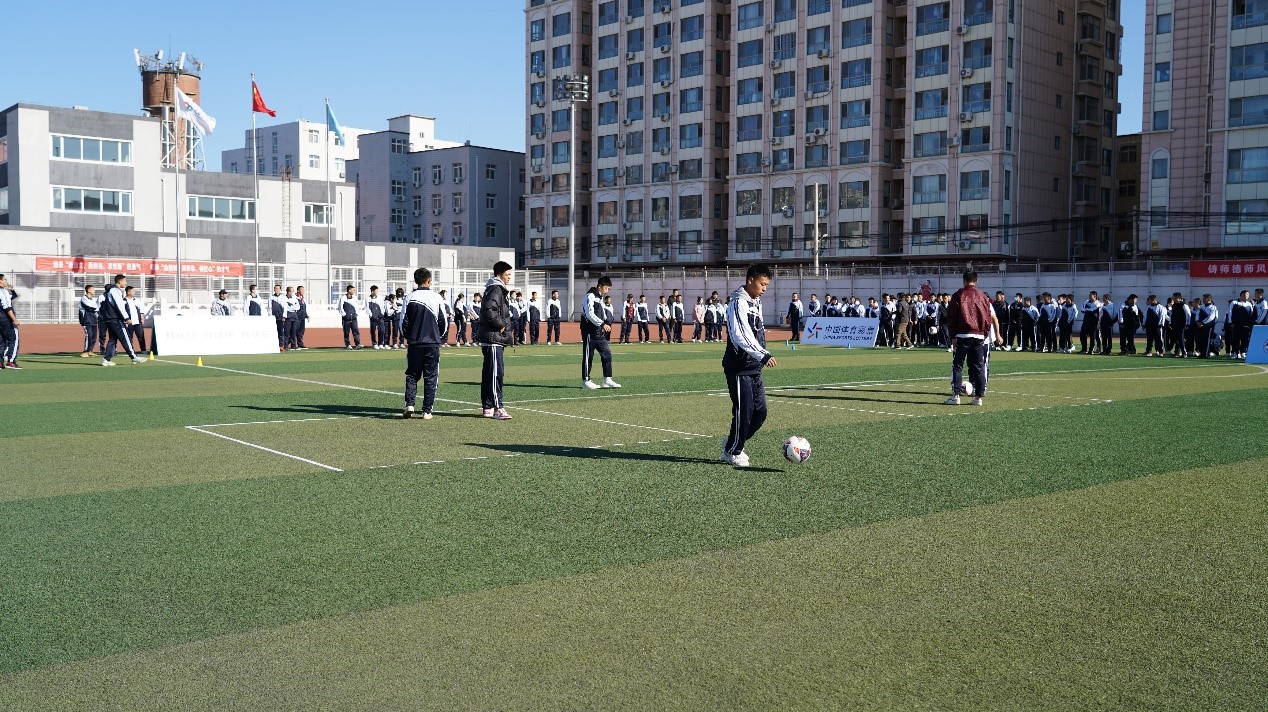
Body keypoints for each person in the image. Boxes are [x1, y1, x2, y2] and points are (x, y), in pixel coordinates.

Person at [721, 264, 778, 468]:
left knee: (760, 412)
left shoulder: (756, 303)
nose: (764, 288)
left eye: (767, 285)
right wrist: (763, 354)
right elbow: (740, 334)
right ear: (751, 280)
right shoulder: (738, 304)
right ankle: (733, 451)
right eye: (762, 284)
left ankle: (732, 443)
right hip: (738, 368)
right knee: (743, 412)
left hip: (754, 367)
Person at [944, 270, 1003, 406]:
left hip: (963, 334)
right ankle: (978, 398)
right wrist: (985, 333)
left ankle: (956, 396)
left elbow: (951, 318)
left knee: (958, 365)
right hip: (979, 335)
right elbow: (988, 317)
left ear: (963, 280)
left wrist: (952, 336)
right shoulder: (983, 296)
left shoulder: (959, 295)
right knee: (979, 366)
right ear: (976, 281)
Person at [401, 267, 447, 420]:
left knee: (412, 374)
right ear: (429, 280)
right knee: (431, 376)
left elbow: (403, 323)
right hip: (432, 343)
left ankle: (410, 404)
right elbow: (443, 322)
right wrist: (437, 337)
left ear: (416, 281)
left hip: (415, 343)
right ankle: (427, 410)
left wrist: (410, 337)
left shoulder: (409, 297)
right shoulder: (436, 297)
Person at [477, 261, 514, 420]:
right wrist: (501, 325)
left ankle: (488, 407)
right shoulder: (496, 289)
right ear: (499, 275)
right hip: (493, 339)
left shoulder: (496, 289)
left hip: (492, 338)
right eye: (507, 275)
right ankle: (498, 407)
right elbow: (488, 310)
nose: (509, 278)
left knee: (489, 373)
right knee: (495, 373)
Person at [582, 276, 622, 390]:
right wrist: (602, 324)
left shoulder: (599, 298)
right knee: (588, 357)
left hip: (599, 332)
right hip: (589, 331)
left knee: (607, 354)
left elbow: (602, 313)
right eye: (606, 288)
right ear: (600, 286)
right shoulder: (589, 296)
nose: (607, 290)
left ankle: (607, 379)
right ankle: (586, 381)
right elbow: (589, 314)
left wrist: (606, 322)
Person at [98, 274, 145, 366]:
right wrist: (126, 318)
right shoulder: (115, 290)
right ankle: (134, 357)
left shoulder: (109, 291)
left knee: (112, 339)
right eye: (125, 281)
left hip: (109, 319)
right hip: (115, 319)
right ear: (120, 281)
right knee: (125, 337)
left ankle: (106, 359)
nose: (126, 282)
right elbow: (119, 305)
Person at [0, 274, 20, 370]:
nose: (6, 281)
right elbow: (7, 307)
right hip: (5, 319)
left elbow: (12, 297)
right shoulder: (2, 292)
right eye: (4, 279)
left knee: (2, 340)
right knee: (14, 339)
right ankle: (11, 361)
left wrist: (10, 290)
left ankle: (0, 362)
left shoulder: (5, 292)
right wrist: (14, 319)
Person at [338, 285, 363, 349]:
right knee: (346, 332)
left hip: (354, 318)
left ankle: (358, 344)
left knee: (356, 331)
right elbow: (340, 307)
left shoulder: (355, 298)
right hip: (346, 319)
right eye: (353, 290)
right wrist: (345, 315)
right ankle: (348, 345)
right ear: (349, 290)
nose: (354, 291)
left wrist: (356, 314)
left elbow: (357, 306)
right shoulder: (343, 298)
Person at [78, 285, 100, 356]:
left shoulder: (92, 300)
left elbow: (97, 308)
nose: (94, 291)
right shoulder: (84, 298)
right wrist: (95, 307)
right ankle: (85, 351)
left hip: (93, 320)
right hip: (86, 320)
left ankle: (90, 350)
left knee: (94, 336)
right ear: (88, 290)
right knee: (89, 335)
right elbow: (90, 307)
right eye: (93, 289)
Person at [1196, 294, 1220, 358]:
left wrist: (1203, 323)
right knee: (1199, 340)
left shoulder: (1213, 307)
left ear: (1209, 299)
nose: (1203, 300)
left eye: (1205, 299)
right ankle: (1203, 352)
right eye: (1203, 298)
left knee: (1206, 340)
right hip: (1200, 326)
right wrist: (1198, 322)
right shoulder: (1201, 307)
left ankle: (1205, 354)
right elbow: (1197, 314)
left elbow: (1211, 317)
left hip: (1208, 326)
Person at [125, 285, 147, 354]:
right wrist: (125, 321)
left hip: (137, 322)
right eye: (133, 291)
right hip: (129, 322)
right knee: (129, 337)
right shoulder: (124, 300)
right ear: (128, 292)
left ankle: (143, 349)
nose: (134, 292)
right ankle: (131, 351)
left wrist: (142, 318)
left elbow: (141, 309)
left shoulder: (136, 300)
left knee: (141, 336)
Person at [269, 285, 288, 352]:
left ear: (280, 290)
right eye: (276, 288)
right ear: (274, 289)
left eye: (278, 288)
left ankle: (281, 346)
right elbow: (269, 307)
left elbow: (285, 307)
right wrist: (270, 316)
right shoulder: (271, 297)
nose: (277, 289)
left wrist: (284, 316)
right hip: (273, 317)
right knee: (273, 332)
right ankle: (273, 345)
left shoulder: (283, 297)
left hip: (280, 317)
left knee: (280, 332)